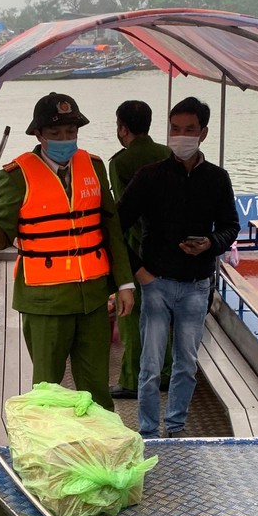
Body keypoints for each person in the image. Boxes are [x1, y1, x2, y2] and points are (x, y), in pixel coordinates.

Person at [0, 92, 135, 410]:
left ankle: (101, 447)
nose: (64, 140)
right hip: (45, 301)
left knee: (96, 386)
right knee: (48, 388)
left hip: (93, 297)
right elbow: (2, 236)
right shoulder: (16, 175)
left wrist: (124, 284)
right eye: (55, 134)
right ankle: (50, 452)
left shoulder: (94, 167)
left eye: (71, 133)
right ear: (39, 134)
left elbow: (111, 230)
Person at [117, 96, 240, 438]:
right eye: (174, 129)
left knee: (186, 365)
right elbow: (116, 225)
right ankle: (146, 430)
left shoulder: (217, 178)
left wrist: (211, 243)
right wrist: (138, 271)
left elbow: (231, 226)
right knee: (150, 366)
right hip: (155, 282)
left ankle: (175, 427)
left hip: (197, 285)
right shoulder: (149, 176)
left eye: (189, 129)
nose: (180, 136)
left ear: (203, 132)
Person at [108, 100, 172, 399]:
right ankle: (167, 373)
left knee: (131, 316)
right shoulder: (167, 154)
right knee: (165, 314)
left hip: (135, 249)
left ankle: (132, 380)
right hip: (168, 249)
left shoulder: (120, 162)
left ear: (123, 128)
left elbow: (122, 211)